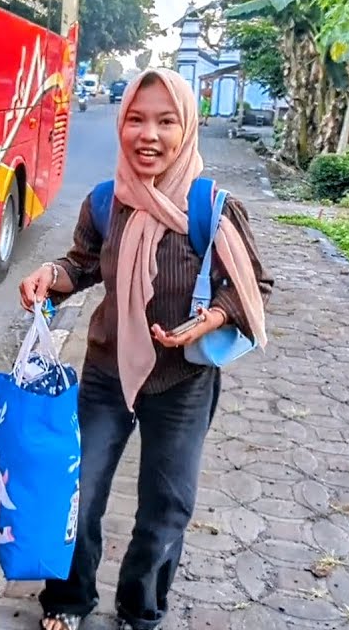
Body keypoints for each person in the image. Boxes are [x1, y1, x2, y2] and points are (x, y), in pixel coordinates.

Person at [18, 69, 273, 630]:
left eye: (165, 121)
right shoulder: (108, 201)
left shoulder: (214, 207)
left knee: (166, 508)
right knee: (79, 493)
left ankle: (139, 608)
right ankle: (69, 598)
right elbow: (82, 265)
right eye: (136, 119)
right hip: (108, 371)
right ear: (120, 123)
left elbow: (252, 287)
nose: (148, 134)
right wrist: (49, 275)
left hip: (182, 381)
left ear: (188, 128)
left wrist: (213, 317)